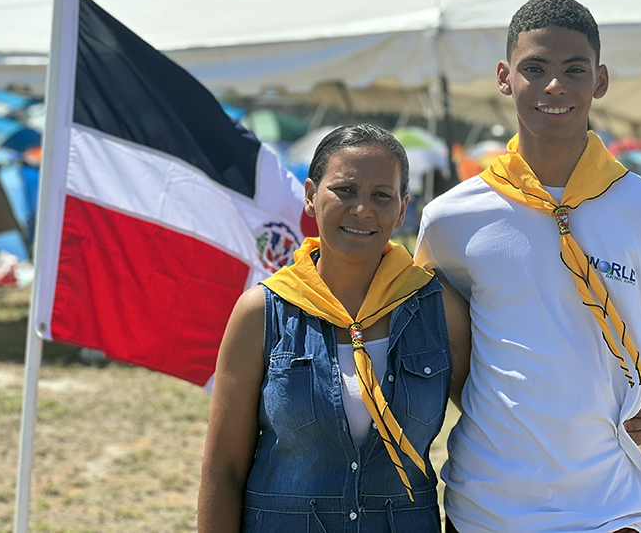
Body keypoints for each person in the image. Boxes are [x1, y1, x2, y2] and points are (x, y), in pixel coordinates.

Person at [416, 0, 641, 533]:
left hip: (610, 513)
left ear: (600, 80)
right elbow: (424, 359)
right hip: (483, 511)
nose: (554, 86)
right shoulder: (449, 220)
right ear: (504, 77)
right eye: (534, 69)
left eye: (573, 70)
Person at [197, 124, 472, 532]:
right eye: (344, 190)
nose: (362, 209)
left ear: (402, 209)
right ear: (310, 195)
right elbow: (224, 468)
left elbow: (490, 428)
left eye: (382, 195)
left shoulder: (438, 308)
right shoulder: (262, 312)